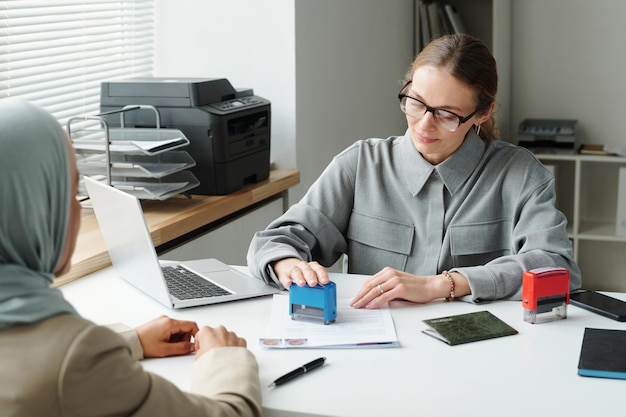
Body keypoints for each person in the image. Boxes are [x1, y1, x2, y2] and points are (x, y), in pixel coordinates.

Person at [247, 33, 581, 308]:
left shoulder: (521, 175)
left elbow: (557, 266)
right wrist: (289, 265)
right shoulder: (360, 164)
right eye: (415, 102)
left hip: (480, 357)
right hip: (377, 352)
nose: (424, 124)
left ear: (482, 113)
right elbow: (273, 242)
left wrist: (444, 284)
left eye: (447, 114)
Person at [0, 99, 261, 416]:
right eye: (68, 193)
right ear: (30, 211)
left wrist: (126, 341)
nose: (76, 212)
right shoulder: (72, 361)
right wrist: (223, 357)